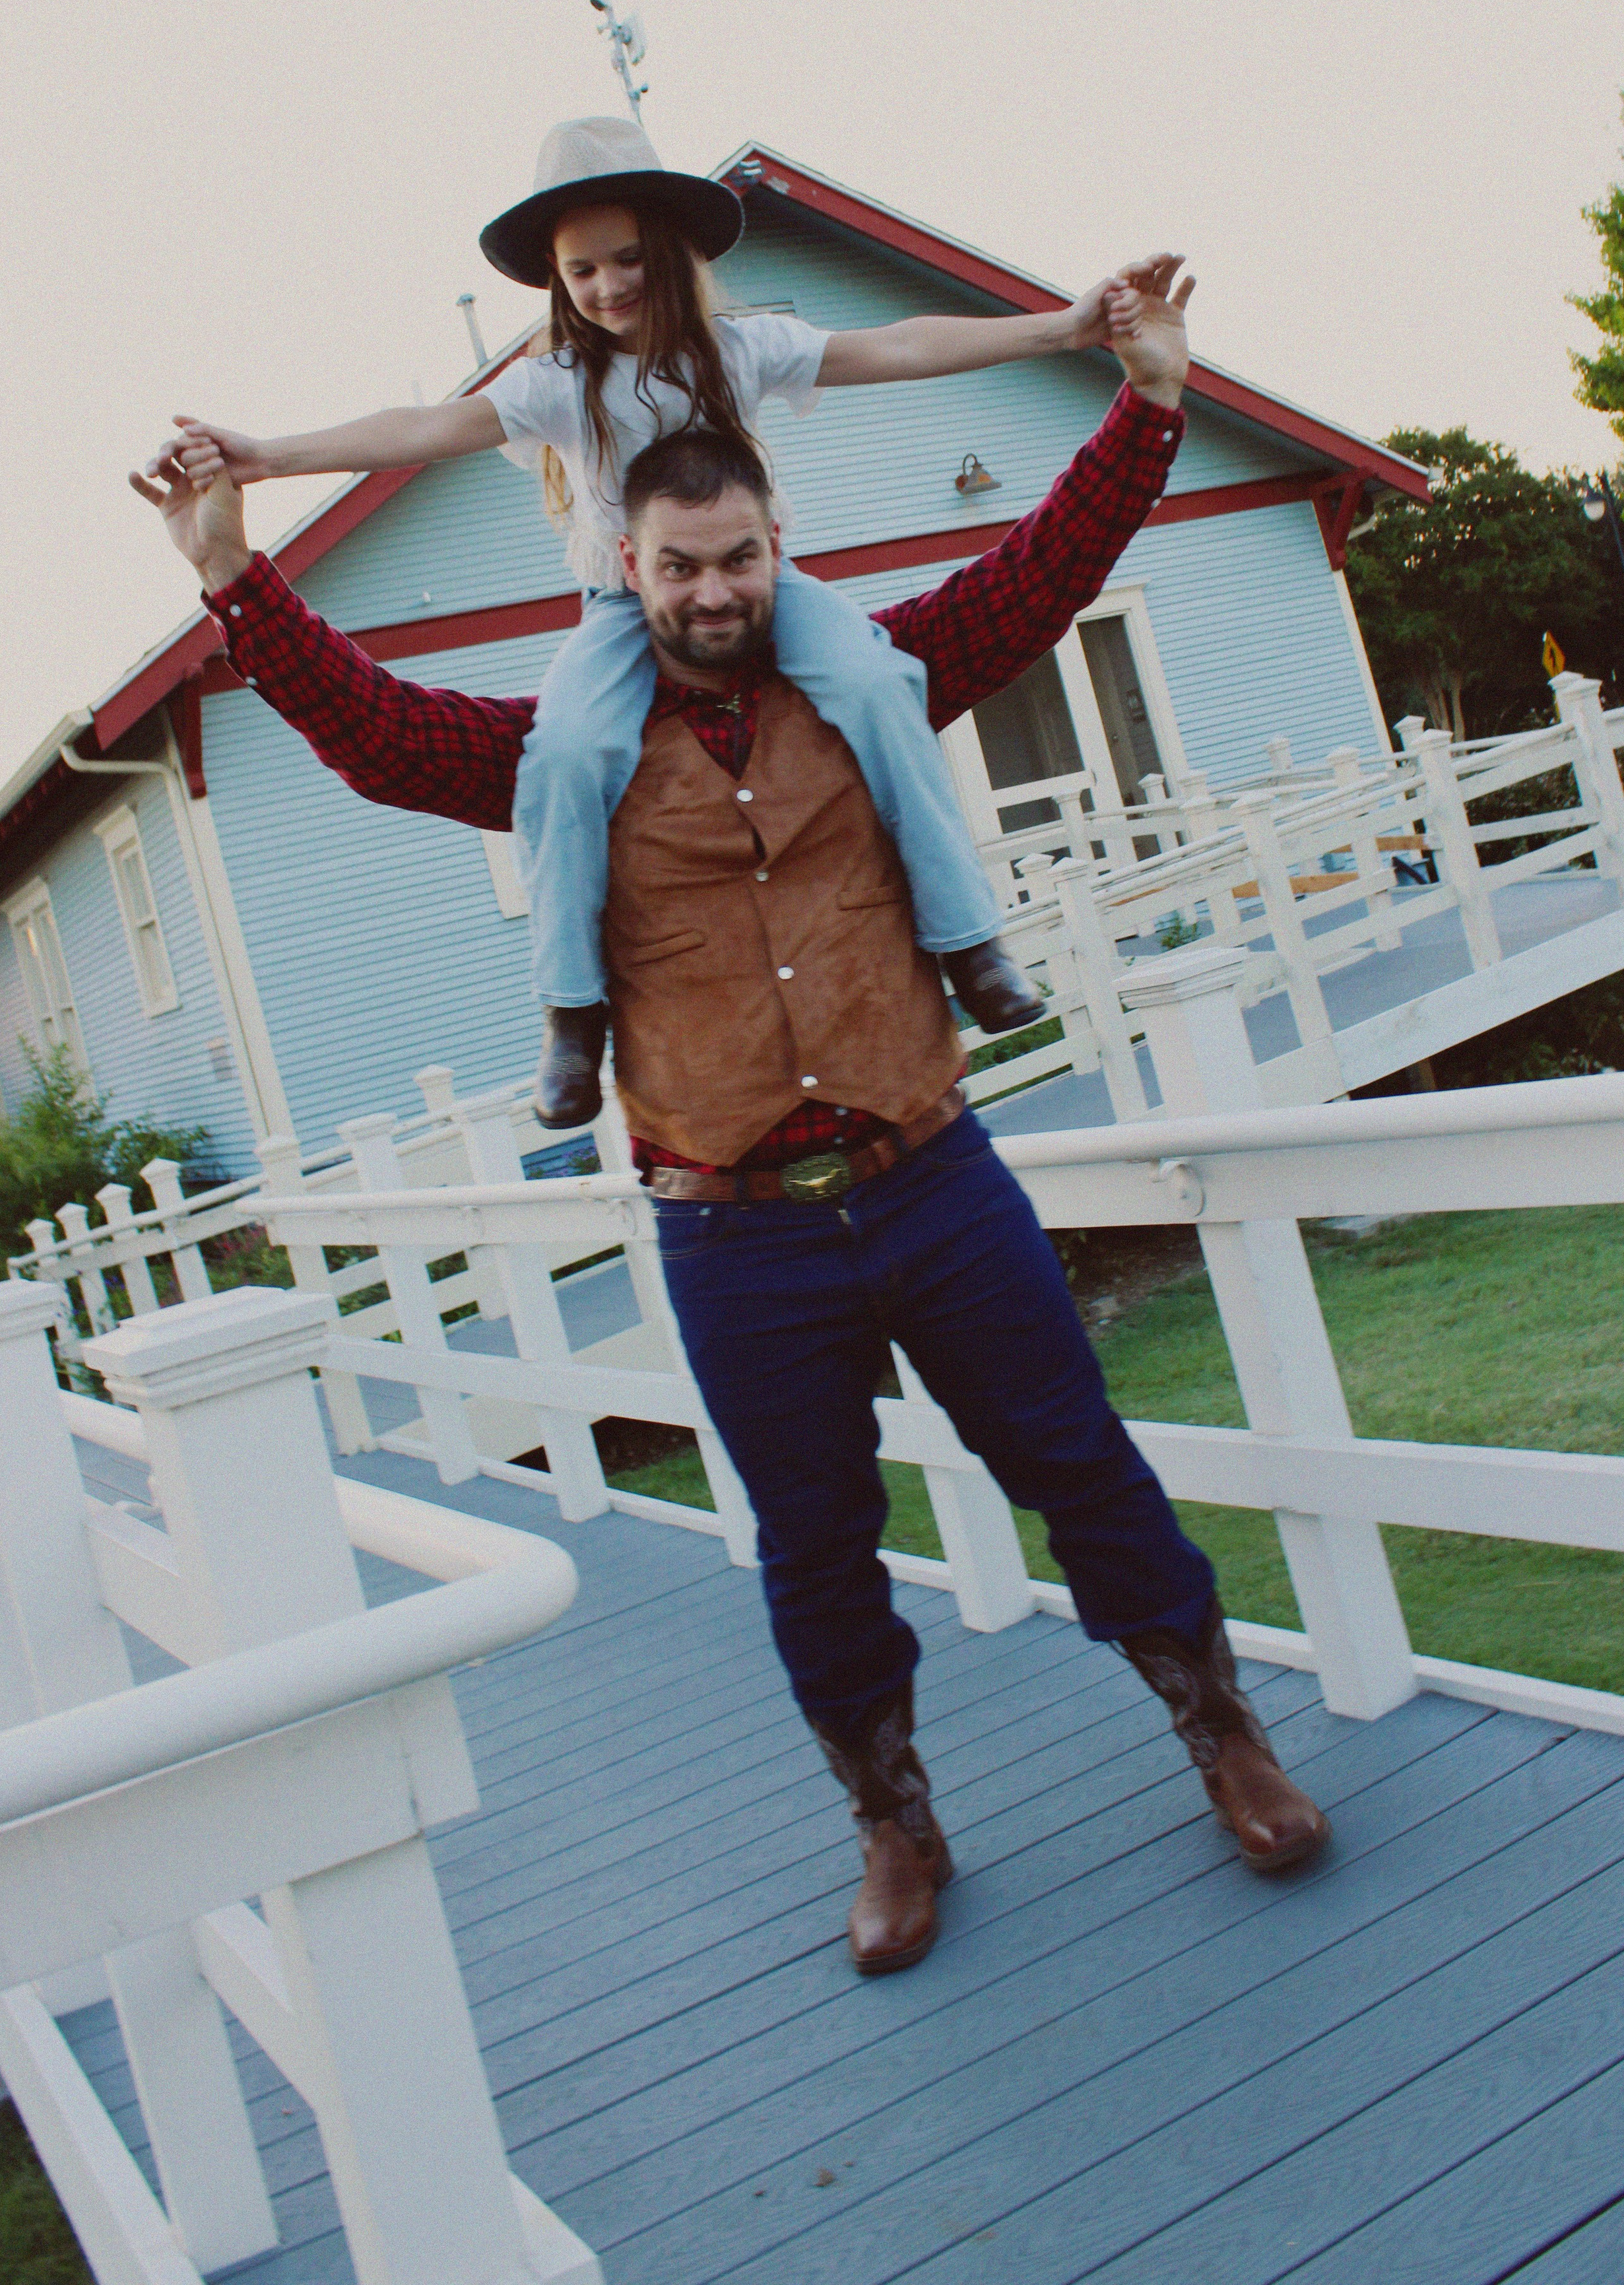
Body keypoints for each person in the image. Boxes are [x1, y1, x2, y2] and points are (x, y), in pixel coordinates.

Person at [133, 260, 1331, 1981]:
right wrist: (237, 579)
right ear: (629, 568)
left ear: (781, 553)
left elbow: (1045, 569)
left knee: (1085, 1469)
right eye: (680, 565)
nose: (714, 590)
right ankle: (893, 1821)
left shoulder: (882, 678)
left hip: (934, 1180)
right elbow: (379, 737)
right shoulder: (569, 748)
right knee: (819, 1551)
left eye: (741, 559)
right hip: (732, 1225)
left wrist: (1147, 398)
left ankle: (1223, 1733)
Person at [158, 116, 1173, 1129]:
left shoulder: (745, 350)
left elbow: (899, 344)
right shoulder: (559, 386)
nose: (608, 288)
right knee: (559, 755)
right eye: (582, 271)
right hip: (616, 612)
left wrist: (1066, 329)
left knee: (878, 684)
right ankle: (569, 1011)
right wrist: (265, 456)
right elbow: (422, 427)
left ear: (673, 254)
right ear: (558, 283)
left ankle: (968, 942)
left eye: (629, 259)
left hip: (782, 595)